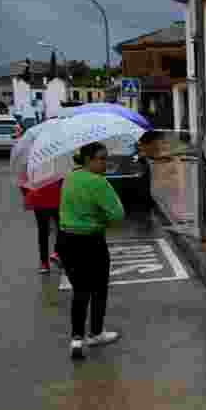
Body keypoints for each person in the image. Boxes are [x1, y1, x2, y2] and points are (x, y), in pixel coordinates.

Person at [56, 142, 125, 360]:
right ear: (88, 160)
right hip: (90, 242)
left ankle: (76, 338)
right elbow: (117, 215)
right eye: (101, 158)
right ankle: (95, 333)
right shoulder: (99, 183)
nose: (106, 162)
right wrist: (100, 220)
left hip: (66, 241)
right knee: (98, 288)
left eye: (106, 157)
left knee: (80, 290)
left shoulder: (70, 177)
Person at [19, 179, 63, 273]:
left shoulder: (31, 164)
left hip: (41, 199)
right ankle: (56, 253)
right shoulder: (57, 165)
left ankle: (45, 263)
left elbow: (23, 183)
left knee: (43, 231)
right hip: (55, 198)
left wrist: (28, 194)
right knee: (61, 228)